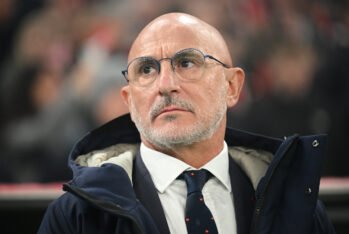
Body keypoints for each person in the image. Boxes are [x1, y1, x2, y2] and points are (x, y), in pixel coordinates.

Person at [38, 13, 335, 234]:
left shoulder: (296, 206)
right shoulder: (76, 216)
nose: (165, 85)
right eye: (146, 69)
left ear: (232, 86)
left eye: (187, 63)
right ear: (129, 100)